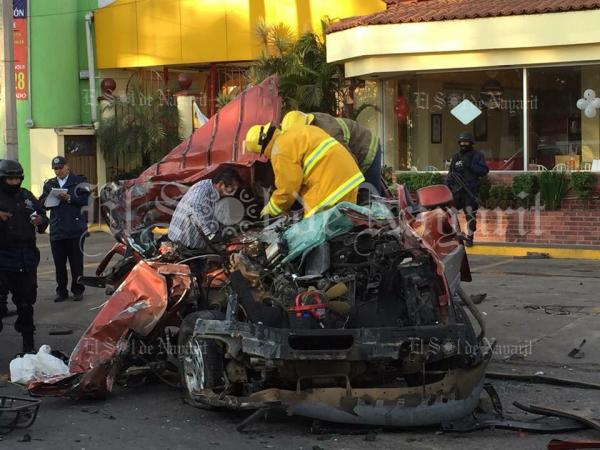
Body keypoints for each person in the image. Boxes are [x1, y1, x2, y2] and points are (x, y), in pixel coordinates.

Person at [244, 122, 364, 218]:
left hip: (330, 185)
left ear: (262, 147)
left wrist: (271, 209)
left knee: (311, 231)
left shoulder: (279, 150)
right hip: (349, 177)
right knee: (345, 225)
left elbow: (288, 189)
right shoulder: (297, 131)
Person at [0, 159, 48, 353]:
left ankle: (28, 347)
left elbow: (43, 216)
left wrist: (40, 220)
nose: (14, 182)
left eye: (17, 178)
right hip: (2, 257)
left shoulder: (26, 195)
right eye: (9, 179)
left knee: (26, 305)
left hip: (26, 257)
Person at [281, 111, 383, 199]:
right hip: (353, 149)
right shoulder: (306, 127)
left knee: (368, 198)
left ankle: (381, 217)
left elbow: (349, 164)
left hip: (367, 148)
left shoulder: (329, 133)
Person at [40, 156, 91, 302]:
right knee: (59, 264)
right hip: (57, 229)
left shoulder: (79, 181)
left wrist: (68, 198)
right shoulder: (50, 184)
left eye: (60, 168)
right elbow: (42, 203)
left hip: (75, 229)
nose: (58, 171)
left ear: (67, 166)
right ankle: (61, 291)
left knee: (76, 263)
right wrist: (48, 200)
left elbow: (84, 200)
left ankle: (78, 290)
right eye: (55, 169)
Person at [168, 168, 242, 250]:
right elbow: (195, 209)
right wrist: (214, 236)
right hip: (181, 246)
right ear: (221, 184)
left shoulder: (217, 195)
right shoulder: (201, 192)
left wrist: (231, 231)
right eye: (231, 190)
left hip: (198, 246)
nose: (232, 194)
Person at [446, 132, 489, 247]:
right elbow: (451, 174)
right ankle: (458, 233)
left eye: (466, 142)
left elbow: (484, 171)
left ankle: (470, 237)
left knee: (470, 215)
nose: (463, 144)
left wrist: (469, 165)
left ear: (471, 143)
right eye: (462, 142)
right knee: (450, 211)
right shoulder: (456, 157)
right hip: (457, 191)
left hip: (471, 191)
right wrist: (447, 186)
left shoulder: (477, 155)